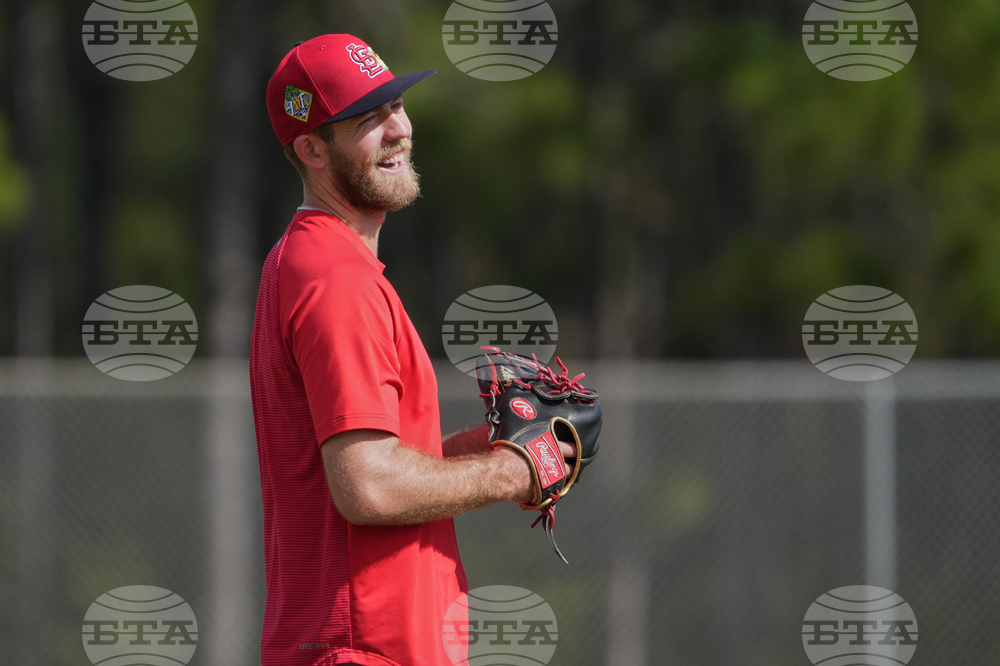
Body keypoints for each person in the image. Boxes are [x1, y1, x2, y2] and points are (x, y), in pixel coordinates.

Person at [249, 34, 575, 666]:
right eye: (368, 119)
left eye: (395, 104)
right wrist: (514, 472)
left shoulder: (309, 261)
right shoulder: (337, 280)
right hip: (363, 648)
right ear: (313, 149)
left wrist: (493, 447)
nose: (399, 128)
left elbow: (373, 463)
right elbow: (368, 487)